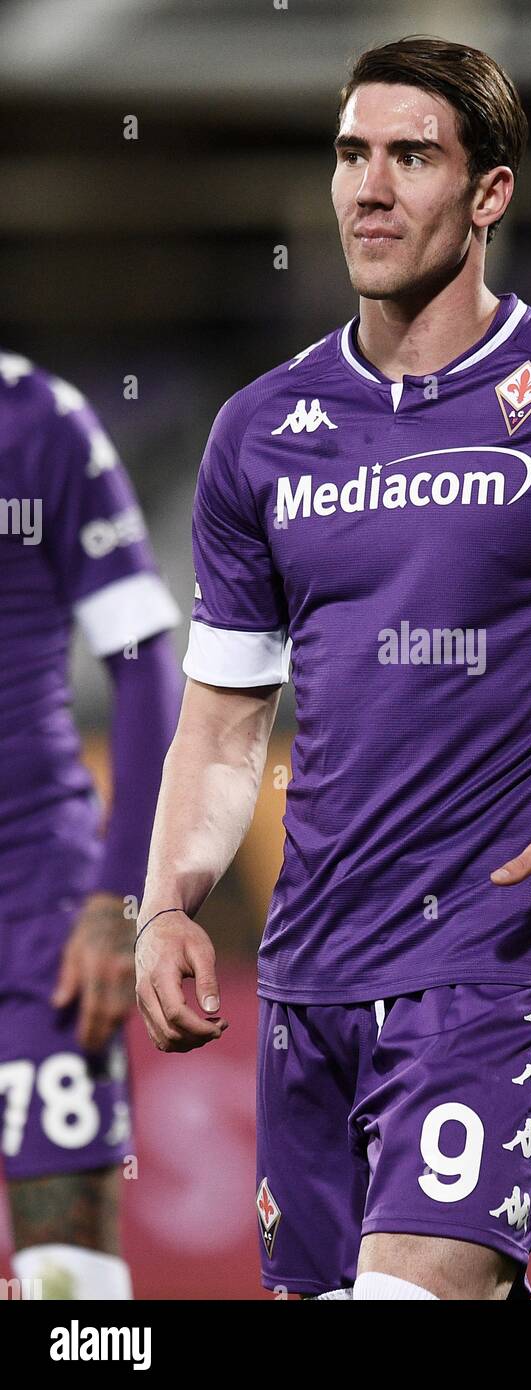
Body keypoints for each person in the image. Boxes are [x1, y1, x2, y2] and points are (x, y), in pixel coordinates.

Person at [135, 35, 531, 1301]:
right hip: (308, 979)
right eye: (350, 153)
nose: (367, 189)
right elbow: (220, 728)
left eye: (411, 156)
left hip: (490, 971)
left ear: (489, 193)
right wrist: (165, 902)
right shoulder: (259, 432)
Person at [0, 348, 182, 1299]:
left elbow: (146, 653)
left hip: (37, 922)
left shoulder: (37, 421)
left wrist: (123, 896)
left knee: (68, 1286)